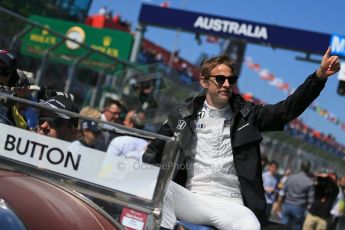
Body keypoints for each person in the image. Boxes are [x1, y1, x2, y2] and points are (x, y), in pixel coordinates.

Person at [142, 47, 340, 230]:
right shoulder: (183, 115)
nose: (226, 84)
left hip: (233, 206)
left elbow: (285, 111)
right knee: (158, 185)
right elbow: (154, 151)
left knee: (251, 226)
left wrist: (319, 76)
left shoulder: (248, 113)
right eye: (220, 79)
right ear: (203, 81)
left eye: (231, 79)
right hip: (193, 199)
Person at [279, 161, 314, 230]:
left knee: (282, 226)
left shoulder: (291, 178)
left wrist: (279, 203)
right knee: (297, 226)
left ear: (300, 167)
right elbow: (311, 200)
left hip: (287, 204)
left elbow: (283, 191)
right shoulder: (309, 182)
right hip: (299, 207)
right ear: (309, 169)